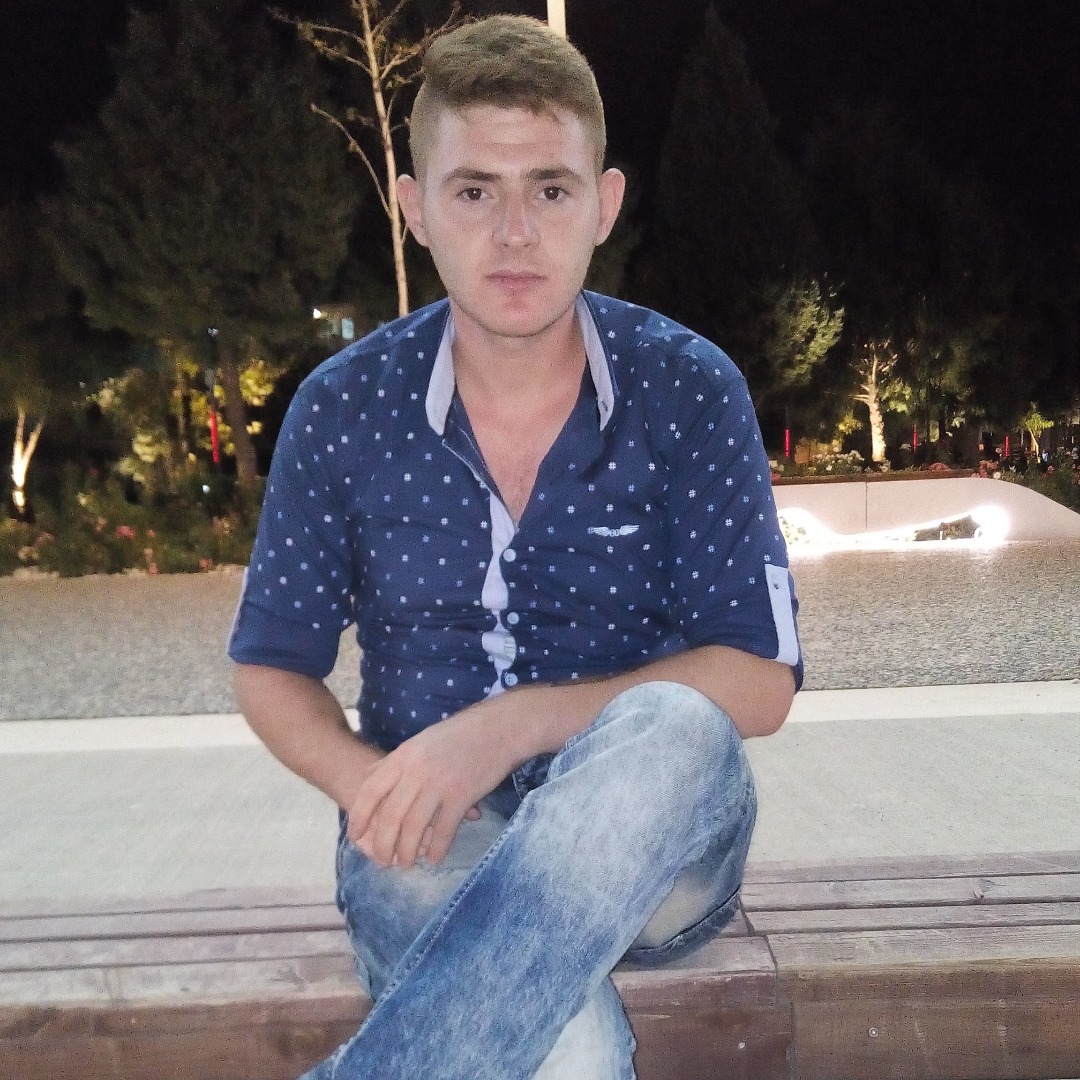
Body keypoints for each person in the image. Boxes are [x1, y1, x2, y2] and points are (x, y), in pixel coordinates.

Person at [228, 14, 802, 1080]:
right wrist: (372, 787)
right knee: (567, 1051)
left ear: (604, 204)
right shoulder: (343, 409)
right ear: (414, 210)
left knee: (677, 723)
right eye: (474, 191)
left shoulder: (689, 389)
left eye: (549, 189)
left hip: (656, 860)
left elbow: (760, 682)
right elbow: (270, 664)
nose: (515, 233)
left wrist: (502, 731)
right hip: (432, 847)